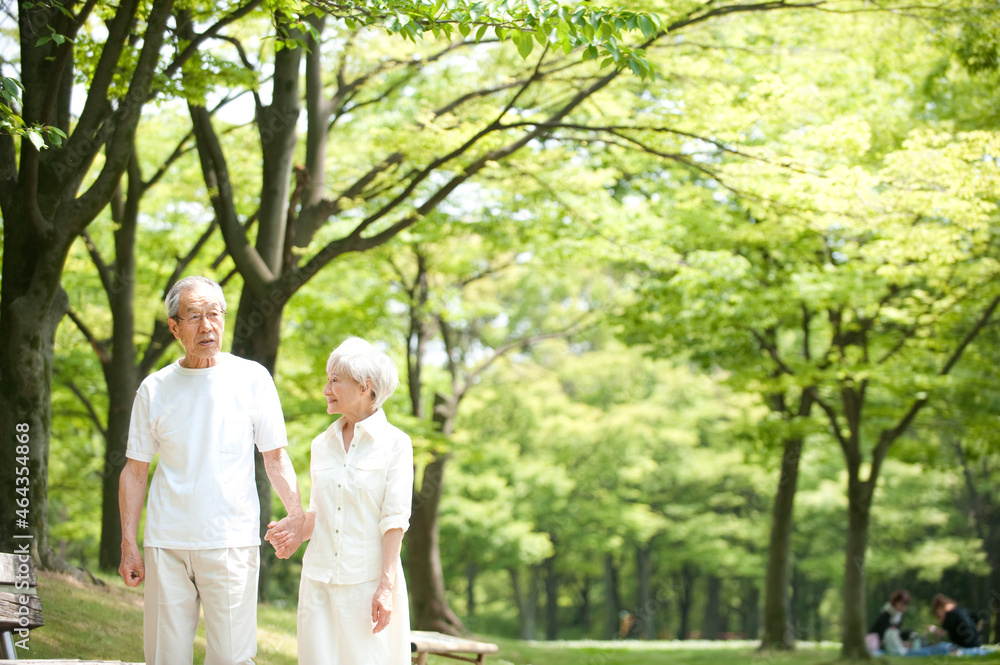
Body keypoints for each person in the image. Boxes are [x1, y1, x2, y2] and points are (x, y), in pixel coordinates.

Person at [118, 276, 305, 665]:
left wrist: (297, 516)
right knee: (164, 658)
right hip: (166, 542)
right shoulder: (154, 389)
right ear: (174, 327)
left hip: (231, 541)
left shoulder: (252, 378)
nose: (207, 326)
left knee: (233, 659)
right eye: (194, 316)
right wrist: (129, 543)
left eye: (214, 314)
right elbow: (135, 471)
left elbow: (275, 456)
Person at [265, 337, 413, 665]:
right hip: (318, 580)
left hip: (368, 584)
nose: (325, 389)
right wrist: (293, 533)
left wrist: (385, 587)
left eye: (334, 380)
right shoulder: (322, 444)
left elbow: (394, 520)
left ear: (365, 387)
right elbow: (321, 513)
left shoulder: (396, 444)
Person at [907, 593, 988, 657]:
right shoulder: (960, 610)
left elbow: (943, 633)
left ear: (939, 608)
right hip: (975, 645)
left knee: (936, 648)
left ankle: (908, 652)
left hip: (962, 647)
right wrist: (974, 632)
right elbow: (978, 618)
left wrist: (932, 629)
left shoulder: (949, 614)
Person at [867, 589, 916, 654]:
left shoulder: (898, 616)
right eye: (902, 604)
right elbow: (883, 633)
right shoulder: (886, 613)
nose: (903, 607)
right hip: (878, 641)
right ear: (896, 602)